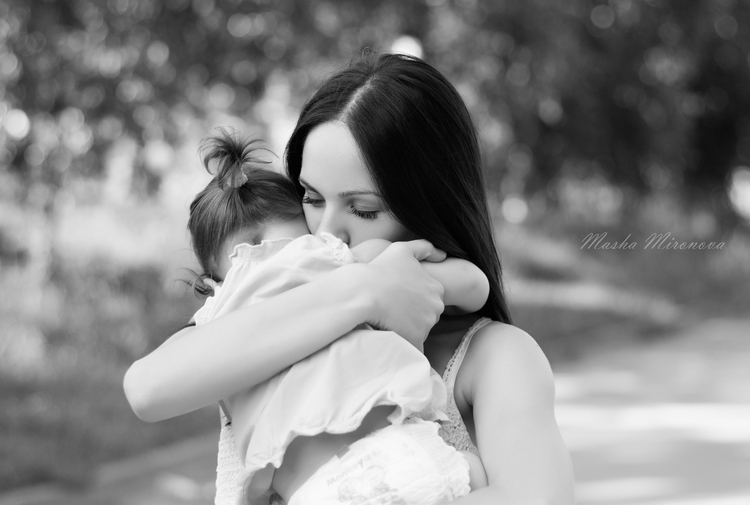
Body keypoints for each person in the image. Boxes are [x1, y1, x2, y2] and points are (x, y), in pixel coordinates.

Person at [124, 52, 575, 505]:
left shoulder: (494, 356)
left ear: (429, 206)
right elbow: (147, 389)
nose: (326, 233)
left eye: (363, 210)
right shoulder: (268, 313)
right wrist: (363, 289)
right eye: (311, 198)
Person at [186, 129, 489, 504]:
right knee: (472, 472)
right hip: (401, 454)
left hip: (313, 491)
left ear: (211, 283)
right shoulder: (327, 258)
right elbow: (474, 285)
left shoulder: (213, 324)